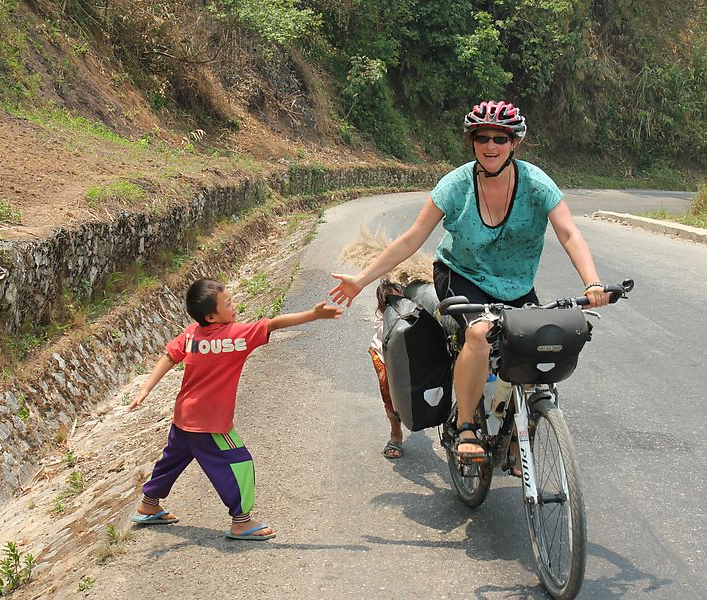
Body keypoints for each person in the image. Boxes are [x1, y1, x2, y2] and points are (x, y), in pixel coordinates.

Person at [329, 100, 609, 466]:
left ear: (515, 144)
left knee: (532, 345)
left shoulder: (536, 184)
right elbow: (412, 239)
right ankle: (465, 428)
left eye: (500, 139)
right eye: (482, 138)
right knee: (478, 333)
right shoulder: (456, 185)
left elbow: (569, 234)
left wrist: (592, 283)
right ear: (472, 141)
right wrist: (361, 279)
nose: (490, 146)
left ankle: (512, 427)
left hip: (516, 285)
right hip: (461, 276)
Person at [127, 278, 342, 540]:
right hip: (210, 423)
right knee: (240, 463)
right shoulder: (236, 336)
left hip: (184, 416)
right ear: (211, 316)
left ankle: (149, 504)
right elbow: (273, 323)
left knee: (172, 460)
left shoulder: (192, 334)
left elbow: (170, 356)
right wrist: (313, 315)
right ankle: (241, 522)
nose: (234, 305)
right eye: (228, 303)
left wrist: (145, 389)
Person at [369, 279, 406, 459]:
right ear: (382, 306)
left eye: (400, 301)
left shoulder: (414, 313)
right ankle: (395, 435)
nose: (396, 306)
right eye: (390, 302)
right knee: (389, 394)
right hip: (384, 356)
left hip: (408, 357)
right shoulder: (382, 321)